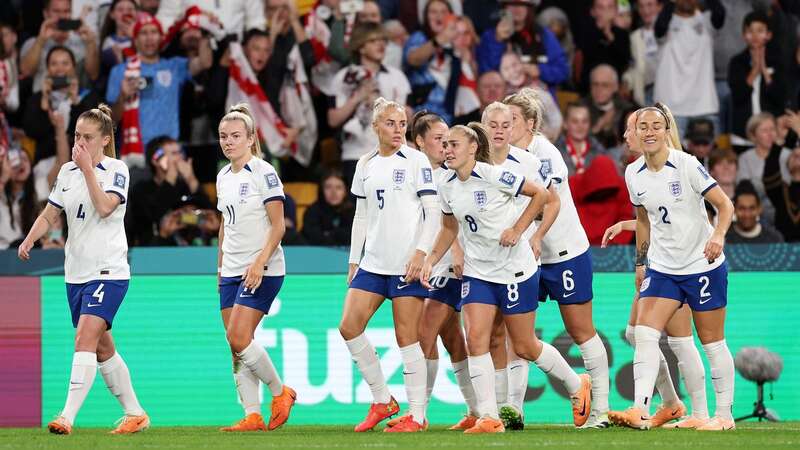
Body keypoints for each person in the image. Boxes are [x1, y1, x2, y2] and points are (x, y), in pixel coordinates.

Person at [420, 121, 591, 434]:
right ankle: (489, 416)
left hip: (515, 270)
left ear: (472, 148)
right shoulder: (445, 183)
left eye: (454, 145)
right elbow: (448, 227)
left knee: (524, 345)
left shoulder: (494, 175)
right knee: (476, 340)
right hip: (478, 272)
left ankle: (576, 382)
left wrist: (518, 229)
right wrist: (431, 259)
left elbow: (541, 195)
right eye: (445, 146)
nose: (448, 151)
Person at [17, 105, 149, 435]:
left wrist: (89, 169)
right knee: (102, 346)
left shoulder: (117, 169)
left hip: (109, 270)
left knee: (84, 338)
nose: (80, 143)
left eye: (87, 138)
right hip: (75, 272)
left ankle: (66, 416)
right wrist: (30, 239)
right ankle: (135, 413)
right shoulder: (66, 172)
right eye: (76, 135)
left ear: (104, 140)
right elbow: (50, 214)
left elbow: (105, 208)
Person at [609, 106, 736, 431]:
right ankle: (640, 408)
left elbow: (725, 205)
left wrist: (719, 235)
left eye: (656, 126)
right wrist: (640, 262)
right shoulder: (633, 173)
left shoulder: (687, 165)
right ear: (635, 132)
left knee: (711, 342)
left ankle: (723, 416)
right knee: (644, 333)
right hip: (664, 268)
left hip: (702, 265)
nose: (649, 132)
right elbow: (644, 220)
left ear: (666, 131)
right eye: (643, 127)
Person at [503, 88, 611, 428]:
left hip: (563, 252)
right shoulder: (499, 155)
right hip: (523, 257)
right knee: (516, 334)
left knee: (581, 331)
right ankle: (514, 410)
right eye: (502, 120)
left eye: (513, 120)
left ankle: (601, 411)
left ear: (531, 124)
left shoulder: (545, 153)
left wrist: (534, 236)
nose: (505, 126)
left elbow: (551, 202)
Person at [339, 97, 440, 433]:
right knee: (349, 327)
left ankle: (418, 416)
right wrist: (354, 259)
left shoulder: (416, 161)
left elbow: (434, 212)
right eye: (390, 123)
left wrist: (421, 253)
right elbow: (361, 214)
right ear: (375, 127)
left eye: (402, 123)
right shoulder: (364, 163)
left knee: (407, 338)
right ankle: (382, 399)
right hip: (373, 264)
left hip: (405, 265)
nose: (398, 130)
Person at [385, 110, 479, 431]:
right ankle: (476, 409)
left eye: (448, 140)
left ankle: (418, 414)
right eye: (438, 139)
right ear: (420, 142)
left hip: (446, 268)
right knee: (453, 340)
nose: (445, 145)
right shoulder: (413, 172)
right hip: (426, 265)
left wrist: (455, 253)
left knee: (423, 335)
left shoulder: (448, 176)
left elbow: (448, 223)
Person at [215, 103, 297, 432]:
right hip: (231, 269)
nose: (228, 142)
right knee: (236, 344)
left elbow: (278, 226)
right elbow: (225, 224)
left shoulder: (264, 172)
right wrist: (220, 265)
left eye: (235, 136)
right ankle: (252, 414)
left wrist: (259, 262)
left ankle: (281, 393)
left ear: (251, 139)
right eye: (223, 136)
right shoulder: (222, 176)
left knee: (238, 336)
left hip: (262, 268)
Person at [328, 22, 410, 187]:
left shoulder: (397, 77)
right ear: (361, 47)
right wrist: (358, 96)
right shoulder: (344, 77)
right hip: (356, 155)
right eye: (373, 41)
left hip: (392, 154)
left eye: (383, 41)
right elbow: (333, 119)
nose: (381, 45)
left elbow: (407, 118)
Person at [652, 0, 726, 136]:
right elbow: (660, 29)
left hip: (703, 107)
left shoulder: (706, 21)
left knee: (706, 158)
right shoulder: (665, 21)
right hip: (670, 110)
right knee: (670, 158)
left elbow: (719, 13)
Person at [126, 136, 211, 246]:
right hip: (152, 249)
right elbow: (153, 215)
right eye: (173, 154)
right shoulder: (141, 189)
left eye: (180, 152)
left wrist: (191, 179)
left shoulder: (184, 186)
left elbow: (209, 217)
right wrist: (170, 178)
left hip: (186, 249)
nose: (180, 157)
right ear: (156, 160)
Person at [476, 0, 569, 93]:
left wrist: (540, 71)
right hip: (503, 102)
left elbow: (563, 72)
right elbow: (485, 73)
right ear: (504, 8)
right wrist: (497, 41)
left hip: (538, 101)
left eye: (521, 5)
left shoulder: (544, 35)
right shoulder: (490, 36)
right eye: (512, 5)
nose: (516, 10)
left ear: (529, 9)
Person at [728, 10, 788, 141]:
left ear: (769, 34)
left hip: (772, 134)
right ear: (744, 35)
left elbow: (780, 97)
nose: (754, 35)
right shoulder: (737, 62)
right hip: (743, 133)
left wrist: (765, 71)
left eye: (760, 30)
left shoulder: (779, 61)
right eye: (750, 31)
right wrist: (754, 70)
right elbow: (738, 95)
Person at [20, 0, 100, 93]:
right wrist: (40, 41)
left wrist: (90, 43)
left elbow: (93, 74)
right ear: (46, 14)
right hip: (42, 101)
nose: (62, 16)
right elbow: (26, 72)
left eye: (66, 11)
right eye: (56, 11)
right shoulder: (33, 43)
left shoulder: (82, 41)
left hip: (75, 101)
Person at [403, 0, 460, 123]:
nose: (439, 16)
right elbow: (413, 59)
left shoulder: (456, 42)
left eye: (443, 12)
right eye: (433, 12)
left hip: (448, 117)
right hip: (421, 115)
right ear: (425, 16)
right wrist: (439, 40)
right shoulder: (419, 37)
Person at [736, 113, 791, 225]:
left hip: (786, 207)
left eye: (773, 129)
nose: (770, 134)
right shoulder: (745, 158)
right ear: (753, 135)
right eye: (764, 131)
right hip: (757, 209)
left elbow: (790, 185)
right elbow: (745, 186)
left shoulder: (788, 155)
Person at [574, 0, 631, 92]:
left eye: (610, 7)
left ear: (616, 11)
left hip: (615, 90)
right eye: (601, 7)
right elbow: (587, 56)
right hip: (589, 89)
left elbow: (624, 60)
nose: (606, 12)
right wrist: (600, 28)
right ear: (593, 11)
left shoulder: (622, 34)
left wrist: (609, 34)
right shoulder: (585, 31)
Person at [554, 102, 617, 177]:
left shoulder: (600, 153)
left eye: (584, 121)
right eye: (575, 121)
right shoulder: (554, 152)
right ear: (565, 124)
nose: (580, 126)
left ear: (590, 124)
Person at [586, 64, 634, 150]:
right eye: (595, 84)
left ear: (615, 87)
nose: (599, 89)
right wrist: (599, 126)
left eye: (605, 85)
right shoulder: (581, 108)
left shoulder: (627, 109)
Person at [624, 0, 663, 105]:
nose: (645, 10)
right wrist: (627, 81)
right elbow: (633, 67)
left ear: (659, 7)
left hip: (669, 96)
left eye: (650, 5)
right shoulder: (634, 37)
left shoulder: (670, 33)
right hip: (645, 98)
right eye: (641, 6)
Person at [301, 170, 355, 246]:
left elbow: (353, 236)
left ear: (345, 191)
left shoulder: (354, 212)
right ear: (322, 190)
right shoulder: (312, 211)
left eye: (338, 187)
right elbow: (313, 238)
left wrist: (329, 234)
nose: (333, 192)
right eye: (328, 187)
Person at [0, 148, 40, 250]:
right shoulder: (2, 194)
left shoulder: (38, 191)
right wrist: (4, 177)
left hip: (30, 252)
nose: (20, 164)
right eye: (15, 161)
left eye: (24, 159)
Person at [763, 144, 800, 242]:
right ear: (787, 164)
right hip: (782, 247)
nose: (797, 157)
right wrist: (777, 145)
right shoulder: (779, 189)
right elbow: (769, 174)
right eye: (794, 155)